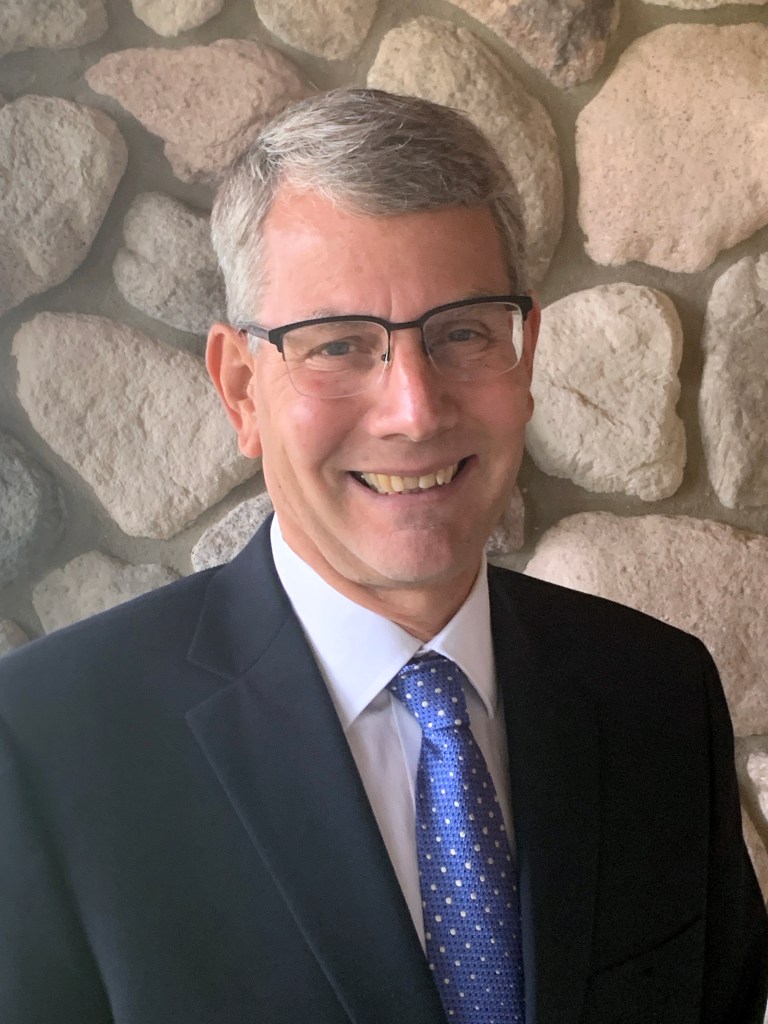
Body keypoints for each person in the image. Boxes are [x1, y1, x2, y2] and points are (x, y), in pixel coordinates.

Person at [0, 88, 766, 1024]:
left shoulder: (659, 696)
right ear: (241, 389)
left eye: (462, 333)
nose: (414, 410)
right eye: (338, 346)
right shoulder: (44, 749)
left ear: (524, 357)